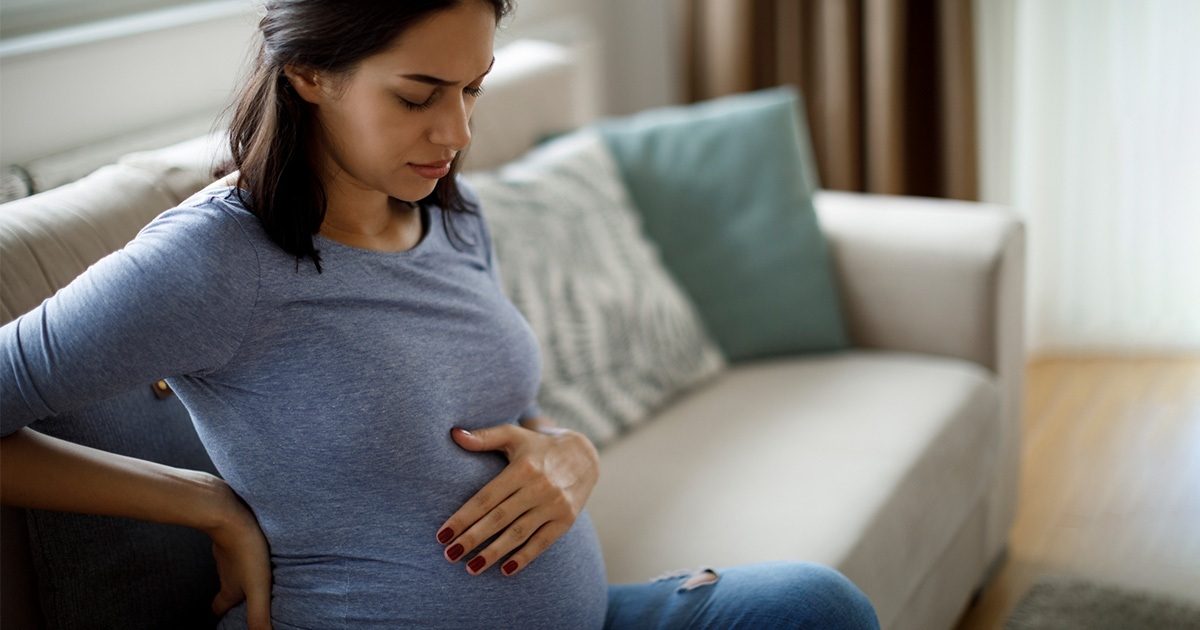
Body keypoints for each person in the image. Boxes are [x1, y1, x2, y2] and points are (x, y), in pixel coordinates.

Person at [0, 1, 881, 629]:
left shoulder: (450, 213)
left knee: (814, 605)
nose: (456, 133)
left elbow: (500, 412)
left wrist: (565, 454)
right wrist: (208, 505)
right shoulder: (213, 260)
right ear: (309, 73)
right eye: (418, 96)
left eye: (474, 90)